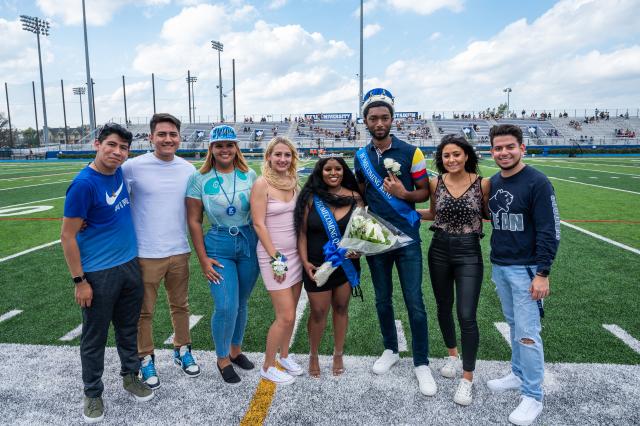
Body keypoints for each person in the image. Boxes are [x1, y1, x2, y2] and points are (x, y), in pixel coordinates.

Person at [60, 123, 153, 424]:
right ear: (97, 144)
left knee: (128, 329)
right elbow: (67, 236)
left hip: (129, 266)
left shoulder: (119, 173)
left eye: (123, 148)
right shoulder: (84, 184)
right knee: (94, 337)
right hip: (98, 274)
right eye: (111, 145)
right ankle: (92, 393)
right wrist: (80, 281)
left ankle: (130, 376)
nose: (117, 152)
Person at [353, 88, 435, 396]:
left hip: (407, 237)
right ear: (366, 121)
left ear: (392, 119)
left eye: (384, 117)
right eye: (373, 118)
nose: (379, 122)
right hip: (376, 236)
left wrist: (404, 195)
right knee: (382, 299)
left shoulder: (411, 151)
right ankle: (390, 349)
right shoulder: (360, 156)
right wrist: (359, 229)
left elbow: (424, 193)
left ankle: (421, 362)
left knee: (414, 301)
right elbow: (360, 194)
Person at [486, 124, 560, 426]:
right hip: (500, 264)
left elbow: (550, 230)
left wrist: (543, 272)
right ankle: (517, 375)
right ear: (491, 151)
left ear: (522, 148)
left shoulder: (537, 182)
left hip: (527, 267)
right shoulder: (493, 181)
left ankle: (533, 395)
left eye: (509, 147)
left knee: (528, 333)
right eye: (498, 148)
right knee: (515, 324)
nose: (504, 153)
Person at [121, 113, 200, 390]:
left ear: (180, 137)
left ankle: (182, 349)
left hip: (179, 250)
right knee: (144, 312)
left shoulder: (189, 169)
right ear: (151, 137)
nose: (168, 139)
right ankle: (146, 357)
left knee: (181, 305)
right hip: (145, 253)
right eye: (162, 134)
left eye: (173, 134)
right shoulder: (132, 167)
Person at [417, 135, 490, 406]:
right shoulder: (435, 182)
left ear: (467, 155)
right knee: (443, 306)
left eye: (456, 154)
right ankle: (452, 356)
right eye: (447, 155)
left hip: (469, 251)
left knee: (467, 314)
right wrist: (402, 211)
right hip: (439, 249)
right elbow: (433, 214)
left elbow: (490, 214)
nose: (452, 160)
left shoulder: (483, 183)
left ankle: (467, 379)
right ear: (441, 158)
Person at [186, 125, 259, 384]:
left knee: (241, 302)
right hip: (218, 244)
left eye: (229, 144)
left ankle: (235, 350)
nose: (225, 149)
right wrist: (203, 258)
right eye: (219, 145)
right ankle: (221, 358)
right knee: (226, 304)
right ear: (211, 149)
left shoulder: (249, 174)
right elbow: (194, 221)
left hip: (248, 240)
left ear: (236, 147)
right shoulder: (199, 178)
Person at [294, 156, 363, 378]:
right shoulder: (311, 198)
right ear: (320, 172)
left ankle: (338, 353)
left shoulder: (355, 198)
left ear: (344, 172)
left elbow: (362, 234)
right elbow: (302, 233)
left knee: (342, 308)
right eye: (328, 169)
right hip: (317, 265)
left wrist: (360, 249)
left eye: (338, 169)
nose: (333, 173)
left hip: (345, 264)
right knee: (318, 311)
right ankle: (313, 354)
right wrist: (304, 262)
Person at [250, 136, 303, 385]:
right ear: (269, 157)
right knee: (284, 315)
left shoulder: (294, 182)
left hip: (295, 255)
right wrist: (275, 257)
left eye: (287, 155)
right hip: (274, 256)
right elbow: (259, 223)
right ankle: (267, 365)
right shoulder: (262, 184)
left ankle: (284, 356)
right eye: (278, 154)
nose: (282, 159)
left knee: (291, 316)